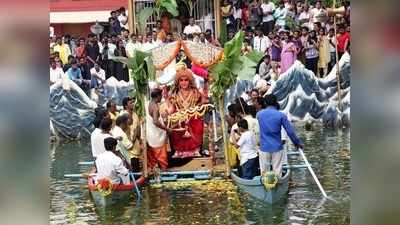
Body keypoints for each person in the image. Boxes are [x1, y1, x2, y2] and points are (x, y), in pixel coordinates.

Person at [256, 94, 303, 177]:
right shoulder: (281, 115)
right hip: (277, 147)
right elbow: (290, 132)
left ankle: (265, 185)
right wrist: (297, 143)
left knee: (264, 172)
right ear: (275, 102)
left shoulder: (259, 115)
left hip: (264, 147)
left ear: (265, 103)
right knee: (277, 171)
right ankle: (277, 185)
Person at [167, 68, 208, 158]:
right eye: (181, 80)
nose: (184, 82)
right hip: (180, 120)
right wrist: (169, 110)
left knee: (198, 122)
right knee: (174, 124)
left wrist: (206, 85)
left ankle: (194, 150)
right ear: (178, 82)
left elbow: (203, 103)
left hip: (193, 120)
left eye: (186, 80)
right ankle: (179, 152)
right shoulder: (174, 94)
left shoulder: (196, 93)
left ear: (190, 81)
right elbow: (171, 109)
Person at [147, 88, 170, 171]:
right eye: (161, 95)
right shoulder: (155, 107)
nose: (162, 98)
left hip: (151, 136)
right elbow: (155, 121)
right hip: (157, 138)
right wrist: (167, 129)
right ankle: (164, 174)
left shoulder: (148, 103)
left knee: (153, 160)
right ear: (158, 96)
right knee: (162, 159)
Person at [120, 97, 142, 172]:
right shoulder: (123, 115)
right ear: (126, 106)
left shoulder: (135, 114)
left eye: (133, 102)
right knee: (132, 169)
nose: (133, 104)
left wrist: (139, 139)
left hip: (136, 146)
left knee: (136, 168)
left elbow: (138, 127)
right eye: (130, 103)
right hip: (128, 147)